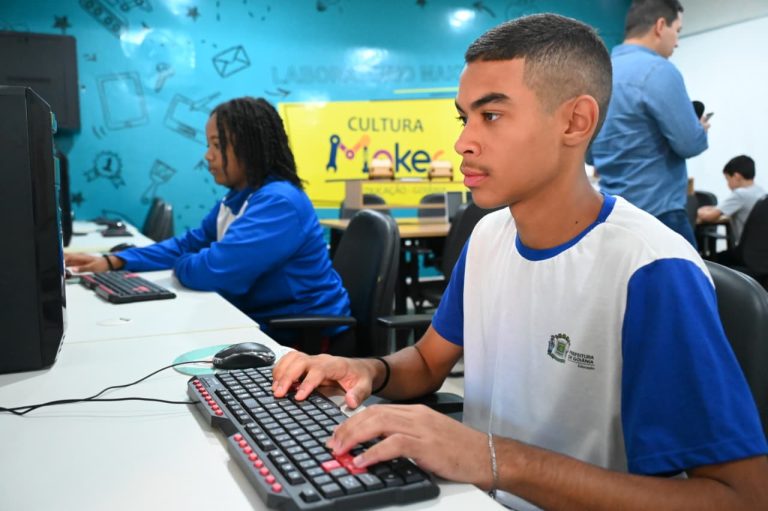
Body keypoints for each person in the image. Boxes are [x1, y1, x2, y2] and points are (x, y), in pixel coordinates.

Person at [271, 13, 768, 511]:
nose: (463, 141)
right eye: (463, 118)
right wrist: (366, 370)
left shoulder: (651, 270)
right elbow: (425, 362)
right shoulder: (490, 234)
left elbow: (741, 499)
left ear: (576, 122)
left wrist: (490, 458)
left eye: (491, 116)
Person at [66, 97, 352, 349]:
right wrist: (115, 260)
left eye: (217, 145)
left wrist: (184, 262)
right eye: (209, 144)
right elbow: (188, 243)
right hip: (263, 321)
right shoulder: (238, 197)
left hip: (307, 339)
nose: (208, 155)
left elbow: (213, 272)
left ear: (250, 148)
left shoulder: (279, 203)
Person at [587, 0, 709, 247]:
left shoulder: (598, 73)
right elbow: (689, 144)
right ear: (660, 25)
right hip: (660, 216)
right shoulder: (659, 70)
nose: (676, 41)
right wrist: (701, 130)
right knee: (681, 286)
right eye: (677, 31)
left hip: (611, 216)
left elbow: (590, 155)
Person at [698, 155, 765, 252]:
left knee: (711, 260)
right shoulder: (761, 191)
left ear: (737, 177)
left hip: (746, 252)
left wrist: (697, 210)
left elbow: (709, 216)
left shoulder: (740, 194)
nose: (728, 184)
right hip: (761, 250)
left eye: (727, 179)